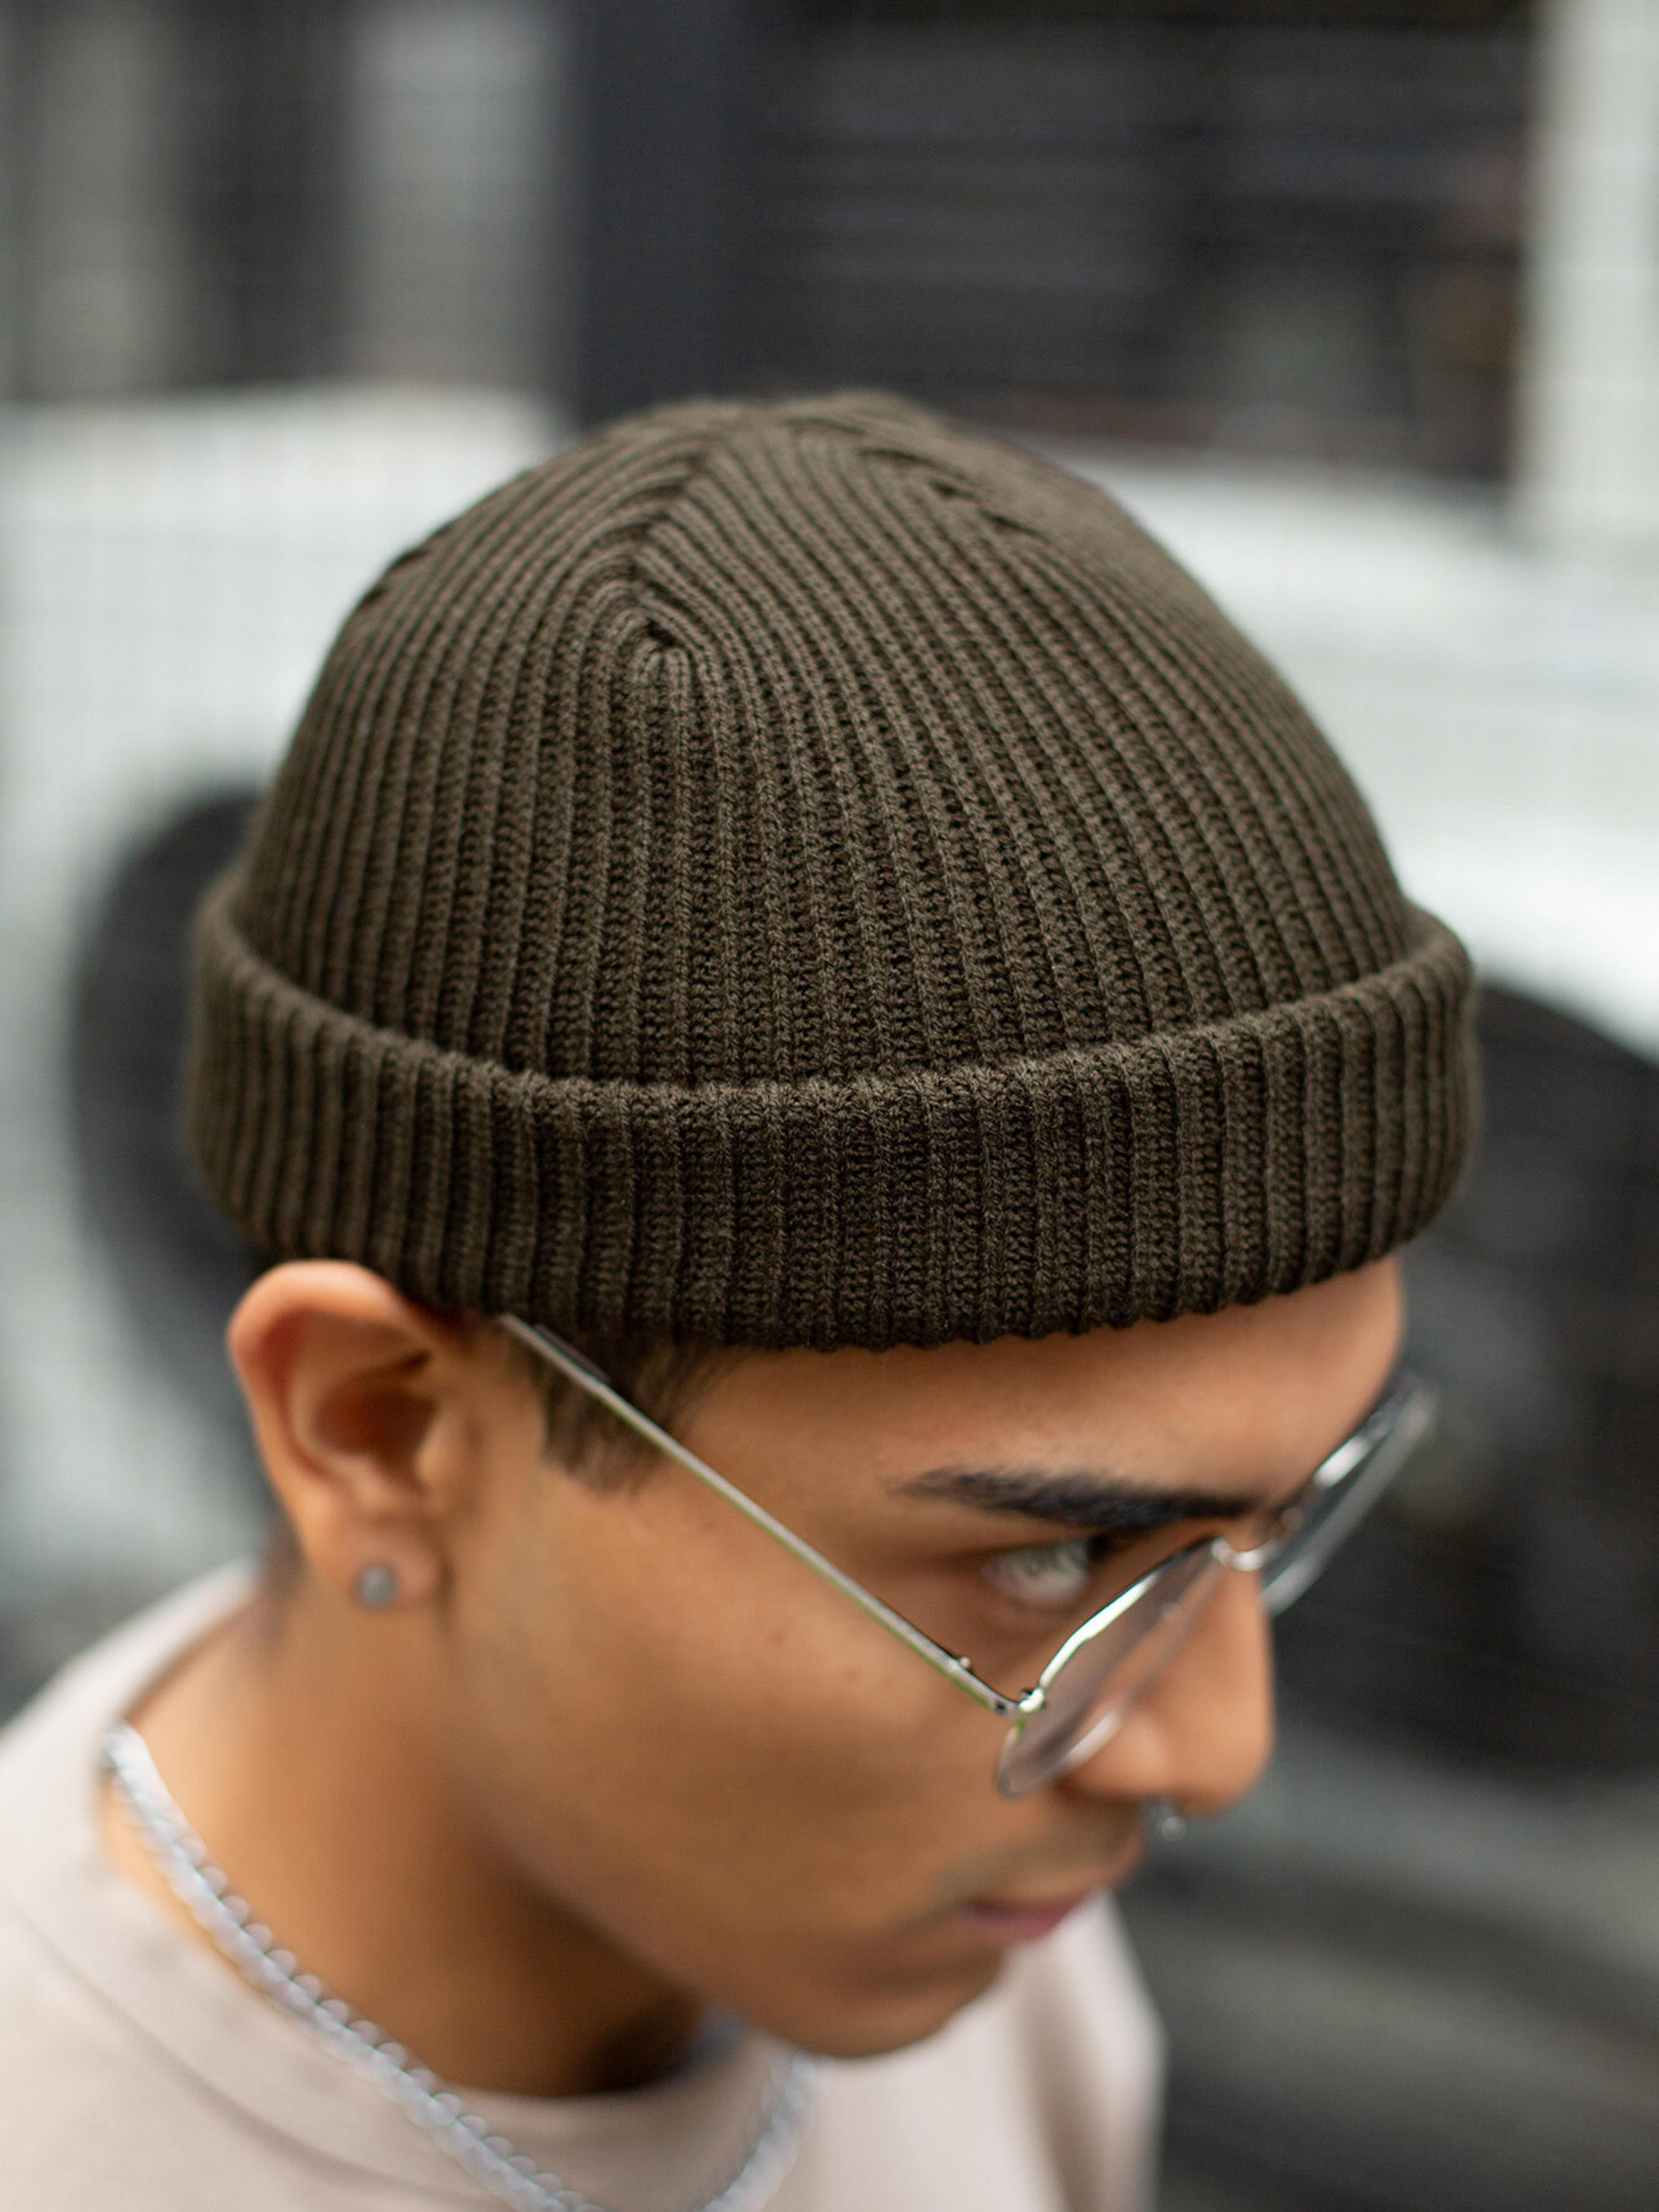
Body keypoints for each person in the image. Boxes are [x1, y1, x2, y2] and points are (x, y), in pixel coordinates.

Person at [0, 392, 1473, 2211]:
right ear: (378, 1429)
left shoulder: (981, 1926)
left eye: (1292, 1512)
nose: (1213, 1751)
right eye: (1053, 1561)